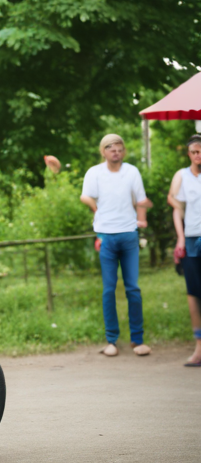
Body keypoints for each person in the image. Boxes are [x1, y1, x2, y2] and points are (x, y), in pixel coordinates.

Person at [80, 134, 152, 357]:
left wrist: (142, 217)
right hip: (106, 237)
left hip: (129, 234)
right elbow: (85, 196)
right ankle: (111, 340)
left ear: (124, 151)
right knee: (109, 289)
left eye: (119, 148)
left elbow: (141, 199)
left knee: (133, 288)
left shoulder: (131, 171)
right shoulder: (95, 173)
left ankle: (137, 340)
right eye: (111, 148)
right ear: (104, 151)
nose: (116, 152)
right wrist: (96, 209)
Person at [168, 134, 201, 366]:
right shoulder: (181, 176)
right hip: (190, 239)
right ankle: (199, 346)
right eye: (195, 152)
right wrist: (180, 238)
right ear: (189, 154)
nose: (198, 156)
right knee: (193, 292)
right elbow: (177, 208)